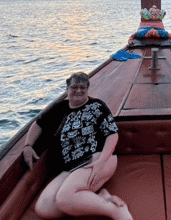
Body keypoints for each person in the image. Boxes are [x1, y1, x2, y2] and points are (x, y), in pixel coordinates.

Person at [23, 72, 132, 220]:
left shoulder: (97, 106)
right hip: (70, 167)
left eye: (83, 87)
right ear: (67, 89)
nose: (79, 91)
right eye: (74, 87)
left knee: (64, 199)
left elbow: (112, 135)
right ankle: (101, 196)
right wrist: (28, 145)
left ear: (88, 89)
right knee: (44, 208)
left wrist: (100, 162)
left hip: (97, 157)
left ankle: (115, 210)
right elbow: (38, 124)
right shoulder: (59, 108)